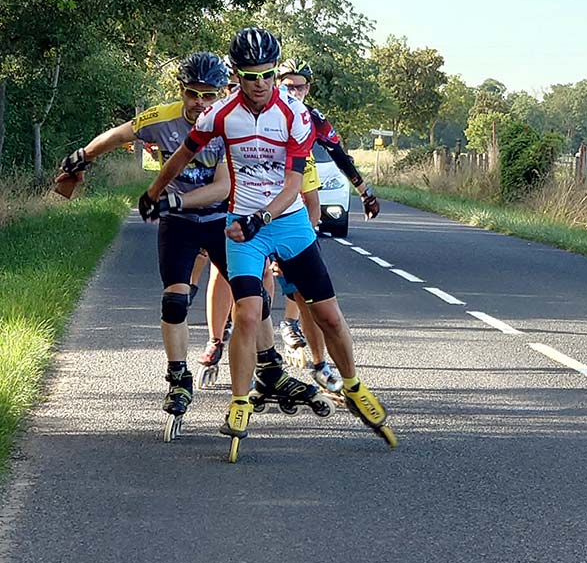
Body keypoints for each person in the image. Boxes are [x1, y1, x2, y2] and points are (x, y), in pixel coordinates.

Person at [143, 28, 394, 452]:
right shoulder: (219, 115)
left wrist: (361, 190)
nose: (259, 84)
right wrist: (154, 195)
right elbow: (182, 155)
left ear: (276, 73)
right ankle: (240, 401)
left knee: (328, 315)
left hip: (286, 219)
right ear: (236, 77)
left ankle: (351, 384)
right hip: (244, 225)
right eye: (248, 76)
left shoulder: (295, 114)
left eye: (267, 74)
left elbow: (295, 182)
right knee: (247, 313)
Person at [55, 53, 254, 433]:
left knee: (251, 298)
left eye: (209, 96)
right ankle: (179, 379)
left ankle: (266, 366)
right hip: (178, 223)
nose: (200, 103)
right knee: (175, 299)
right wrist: (84, 155)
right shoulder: (162, 118)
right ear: (182, 91)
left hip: (219, 220)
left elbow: (224, 185)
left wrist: (173, 198)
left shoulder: (231, 124)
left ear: (221, 94)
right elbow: (120, 134)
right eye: (193, 94)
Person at [273, 58, 381, 390]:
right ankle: (247, 355)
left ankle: (317, 362)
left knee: (307, 292)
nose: (294, 91)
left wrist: (364, 191)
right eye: (287, 85)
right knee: (256, 287)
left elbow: (338, 153)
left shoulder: (312, 119)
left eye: (300, 86)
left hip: (297, 206)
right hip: (256, 208)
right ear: (276, 84)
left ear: (309, 88)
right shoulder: (261, 114)